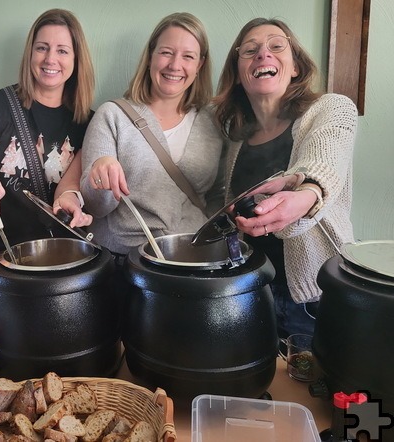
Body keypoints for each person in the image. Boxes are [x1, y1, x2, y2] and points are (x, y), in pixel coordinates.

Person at [213, 18, 357, 339]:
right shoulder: (236, 139)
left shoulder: (330, 109)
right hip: (252, 294)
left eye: (277, 46)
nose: (263, 54)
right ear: (238, 74)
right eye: (250, 50)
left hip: (316, 296)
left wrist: (305, 193)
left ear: (295, 67)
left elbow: (322, 163)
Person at [0, 9, 95, 296]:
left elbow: (69, 189)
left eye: (62, 51)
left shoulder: (87, 121)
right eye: (42, 48)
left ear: (76, 59)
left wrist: (73, 204)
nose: (50, 59)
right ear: (30, 53)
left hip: (61, 258)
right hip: (1, 257)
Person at [79, 12, 223, 257]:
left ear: (199, 65)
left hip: (192, 259)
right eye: (166, 52)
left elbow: (220, 196)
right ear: (150, 57)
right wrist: (100, 177)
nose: (175, 65)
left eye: (188, 56)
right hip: (127, 263)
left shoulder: (214, 121)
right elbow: (95, 207)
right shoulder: (112, 115)